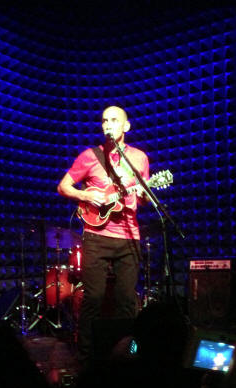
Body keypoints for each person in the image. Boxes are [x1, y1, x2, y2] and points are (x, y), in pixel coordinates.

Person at [57, 105, 150, 366]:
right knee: (93, 298)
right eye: (104, 121)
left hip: (129, 236)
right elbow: (63, 186)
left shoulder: (139, 159)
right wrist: (86, 195)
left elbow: (141, 200)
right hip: (97, 235)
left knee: (126, 299)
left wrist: (142, 196)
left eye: (114, 120)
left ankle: (124, 355)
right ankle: (86, 356)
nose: (108, 124)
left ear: (126, 126)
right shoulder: (90, 156)